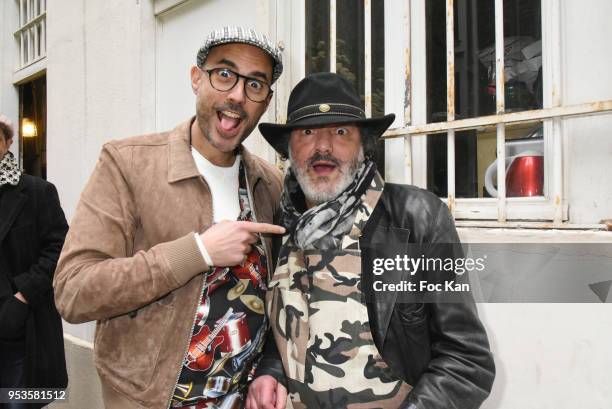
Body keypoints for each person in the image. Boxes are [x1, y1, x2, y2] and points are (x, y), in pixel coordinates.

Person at [53, 27, 286, 409]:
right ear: (196, 78)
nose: (238, 95)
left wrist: (268, 371)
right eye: (224, 74)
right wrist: (196, 252)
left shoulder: (269, 184)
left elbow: (276, 299)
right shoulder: (128, 164)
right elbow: (73, 292)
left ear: (266, 101)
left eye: (255, 84)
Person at [247, 73, 496, 409]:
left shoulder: (417, 218)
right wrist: (270, 372)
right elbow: (284, 337)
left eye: (340, 132)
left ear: (363, 145)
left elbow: (467, 361)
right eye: (307, 133)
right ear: (289, 150)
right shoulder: (281, 225)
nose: (323, 147)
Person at [0, 114, 68, 408]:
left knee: (17, 403)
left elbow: (60, 248)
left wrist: (22, 295)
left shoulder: (38, 191)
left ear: (8, 142)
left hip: (21, 328)